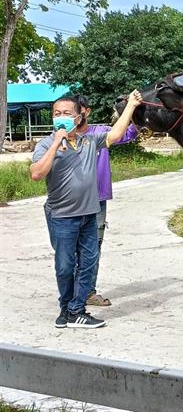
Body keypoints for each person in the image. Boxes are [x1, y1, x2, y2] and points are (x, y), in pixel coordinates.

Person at [30, 91, 142, 329]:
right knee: (65, 266)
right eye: (57, 114)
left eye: (67, 113)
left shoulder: (90, 141)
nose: (61, 117)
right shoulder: (45, 144)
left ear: (79, 117)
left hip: (89, 214)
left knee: (89, 262)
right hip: (62, 217)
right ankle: (66, 309)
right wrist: (56, 144)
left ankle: (75, 310)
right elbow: (37, 173)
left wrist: (131, 105)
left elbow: (117, 133)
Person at [74, 95, 139, 307]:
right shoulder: (60, 137)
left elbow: (128, 133)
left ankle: (87, 292)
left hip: (97, 199)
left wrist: (135, 111)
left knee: (93, 246)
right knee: (69, 247)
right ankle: (71, 292)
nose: (73, 115)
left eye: (78, 109)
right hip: (69, 202)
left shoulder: (100, 133)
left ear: (87, 111)